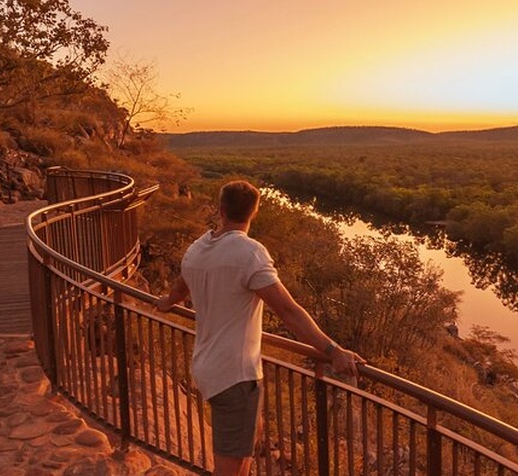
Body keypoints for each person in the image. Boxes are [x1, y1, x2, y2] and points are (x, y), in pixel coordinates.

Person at [156, 180, 364, 476]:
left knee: (252, 433)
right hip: (234, 375)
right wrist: (332, 350)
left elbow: (180, 288)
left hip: (207, 366)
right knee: (231, 465)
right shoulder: (249, 253)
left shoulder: (197, 249)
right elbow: (288, 311)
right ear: (254, 212)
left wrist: (166, 302)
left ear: (221, 210)